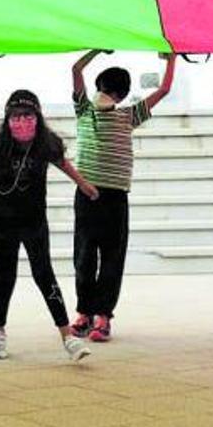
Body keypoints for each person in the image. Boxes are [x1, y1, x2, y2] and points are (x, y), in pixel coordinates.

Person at [0, 90, 95, 361]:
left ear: (37, 118)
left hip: (34, 223)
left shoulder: (45, 145)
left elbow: (63, 163)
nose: (22, 122)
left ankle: (67, 336)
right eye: (16, 117)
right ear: (8, 120)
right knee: (5, 277)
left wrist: (84, 184)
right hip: (4, 224)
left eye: (28, 116)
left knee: (44, 275)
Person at [69, 50, 176, 342]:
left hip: (104, 196)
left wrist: (95, 50)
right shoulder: (92, 111)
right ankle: (91, 315)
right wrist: (171, 60)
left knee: (97, 257)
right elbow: (164, 88)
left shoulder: (122, 114)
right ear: (124, 93)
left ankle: (95, 315)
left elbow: (76, 69)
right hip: (97, 195)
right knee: (90, 256)